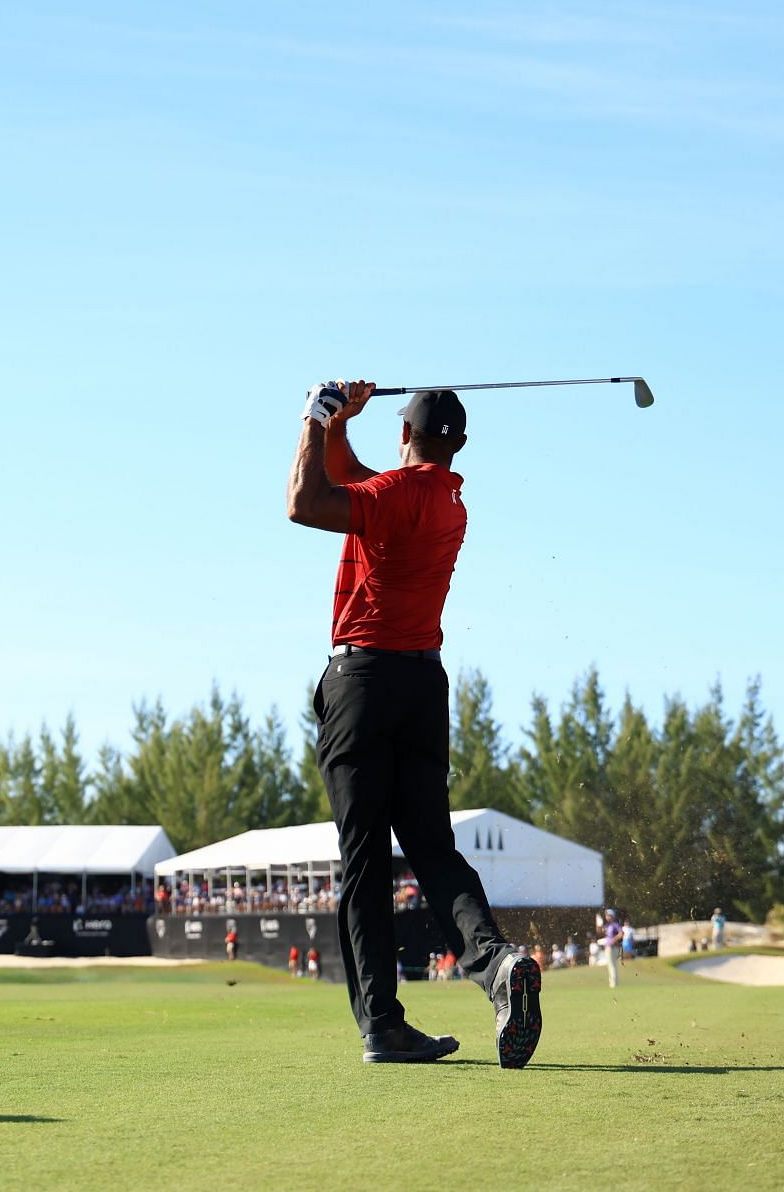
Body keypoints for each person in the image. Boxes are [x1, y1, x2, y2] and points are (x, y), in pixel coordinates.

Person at [287, 379, 539, 1067]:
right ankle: (495, 966)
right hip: (423, 684)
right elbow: (350, 477)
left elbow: (305, 503)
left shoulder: (394, 495)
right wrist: (340, 428)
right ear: (457, 446)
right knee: (432, 847)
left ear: (406, 436)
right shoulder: (444, 500)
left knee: (365, 859)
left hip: (363, 683)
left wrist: (317, 413)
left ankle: (383, 1025)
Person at [599, 909, 622, 989]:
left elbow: (621, 933)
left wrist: (613, 939)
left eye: (608, 915)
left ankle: (613, 984)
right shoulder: (607, 926)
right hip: (608, 947)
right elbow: (601, 932)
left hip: (612, 947)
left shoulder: (615, 924)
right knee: (610, 965)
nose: (607, 917)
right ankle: (613, 983)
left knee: (612, 965)